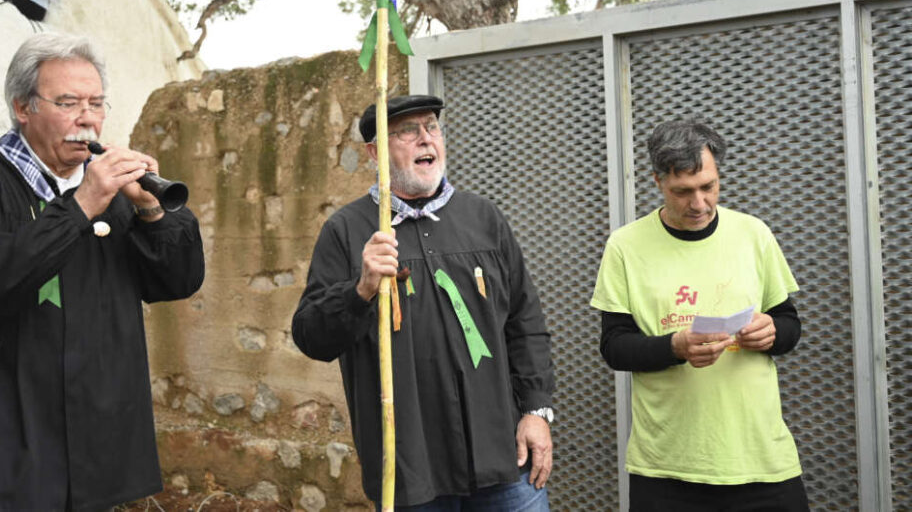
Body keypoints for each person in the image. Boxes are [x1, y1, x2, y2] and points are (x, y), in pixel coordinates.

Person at [0, 33, 204, 510]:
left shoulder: (114, 192)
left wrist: (152, 214)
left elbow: (178, 282)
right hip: (4, 451)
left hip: (97, 450)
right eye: (68, 102)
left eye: (97, 102)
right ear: (23, 107)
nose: (87, 117)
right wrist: (81, 206)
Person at [292, 95, 555, 510]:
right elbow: (311, 336)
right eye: (408, 132)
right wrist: (358, 290)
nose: (425, 139)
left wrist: (537, 410)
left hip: (504, 458)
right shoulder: (346, 231)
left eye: (432, 127)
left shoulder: (484, 219)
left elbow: (525, 323)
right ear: (375, 152)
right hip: (411, 469)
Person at [590, 119, 808, 511]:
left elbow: (790, 324)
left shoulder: (754, 234)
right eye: (682, 192)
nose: (699, 203)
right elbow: (615, 347)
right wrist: (674, 347)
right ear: (657, 181)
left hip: (761, 460)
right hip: (667, 468)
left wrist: (772, 331)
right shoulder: (625, 246)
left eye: (708, 187)